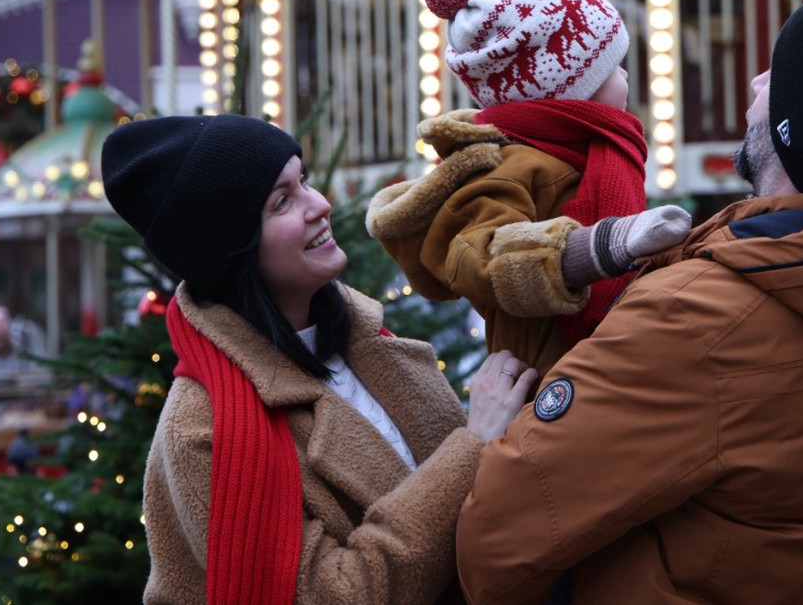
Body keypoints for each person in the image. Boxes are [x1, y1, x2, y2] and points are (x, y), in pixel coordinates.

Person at [456, 0, 803, 603]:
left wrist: (483, 439)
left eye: (779, 73)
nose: (756, 82)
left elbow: (494, 549)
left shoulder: (697, 320)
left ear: (802, 122)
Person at [101, 112, 536, 604]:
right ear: (232, 250)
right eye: (282, 202)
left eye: (302, 180)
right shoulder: (204, 429)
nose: (321, 205)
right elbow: (330, 594)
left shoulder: (366, 343)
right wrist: (473, 444)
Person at [367, 0, 690, 377]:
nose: (625, 74)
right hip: (546, 381)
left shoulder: (583, 152)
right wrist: (588, 251)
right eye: (611, 66)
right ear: (569, 89)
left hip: (599, 367)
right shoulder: (511, 165)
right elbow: (474, 254)